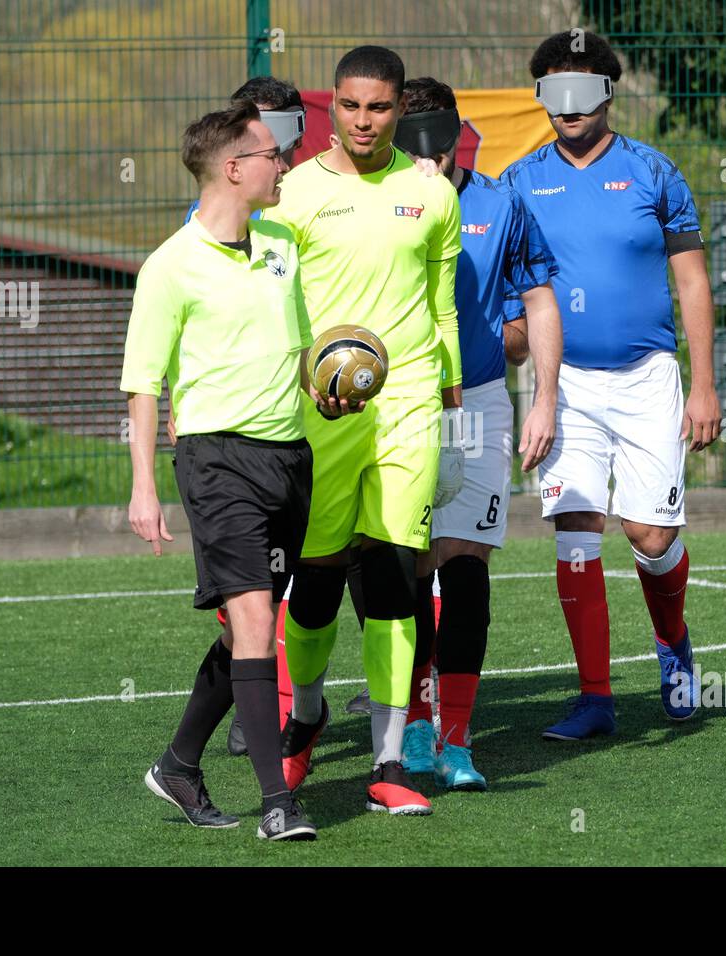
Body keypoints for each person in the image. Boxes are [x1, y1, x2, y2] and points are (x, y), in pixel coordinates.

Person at [122, 101, 354, 841]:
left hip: (290, 457)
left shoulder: (282, 241)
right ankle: (278, 804)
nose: (281, 164)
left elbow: (297, 349)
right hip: (216, 459)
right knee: (256, 622)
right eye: (269, 154)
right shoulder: (168, 267)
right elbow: (143, 384)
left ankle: (178, 764)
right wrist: (143, 487)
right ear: (233, 168)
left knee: (244, 633)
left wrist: (326, 388)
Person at [501, 31, 722, 738]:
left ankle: (673, 645)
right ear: (540, 97)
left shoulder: (655, 172)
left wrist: (705, 385)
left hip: (647, 378)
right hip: (559, 386)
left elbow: (691, 279)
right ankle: (595, 698)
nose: (568, 107)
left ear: (607, 92)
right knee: (576, 529)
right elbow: (504, 285)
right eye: (553, 92)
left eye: (582, 90)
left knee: (652, 537)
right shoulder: (518, 181)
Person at [262, 45, 463, 815]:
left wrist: (449, 397)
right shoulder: (292, 195)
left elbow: (441, 304)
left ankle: (388, 763)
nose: (365, 121)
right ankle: (305, 709)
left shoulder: (431, 195)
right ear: (331, 108)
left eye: (380, 107)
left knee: (388, 572)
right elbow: (272, 308)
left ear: (401, 107)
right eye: (350, 106)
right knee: (312, 582)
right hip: (319, 410)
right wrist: (302, 384)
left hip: (408, 401)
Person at [392, 77, 562, 789]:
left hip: (478, 403)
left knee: (464, 561)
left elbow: (540, 298)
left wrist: (545, 398)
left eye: (436, 130)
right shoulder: (378, 203)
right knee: (407, 566)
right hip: (396, 402)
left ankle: (457, 741)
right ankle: (415, 721)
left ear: (460, 130)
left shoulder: (500, 203)